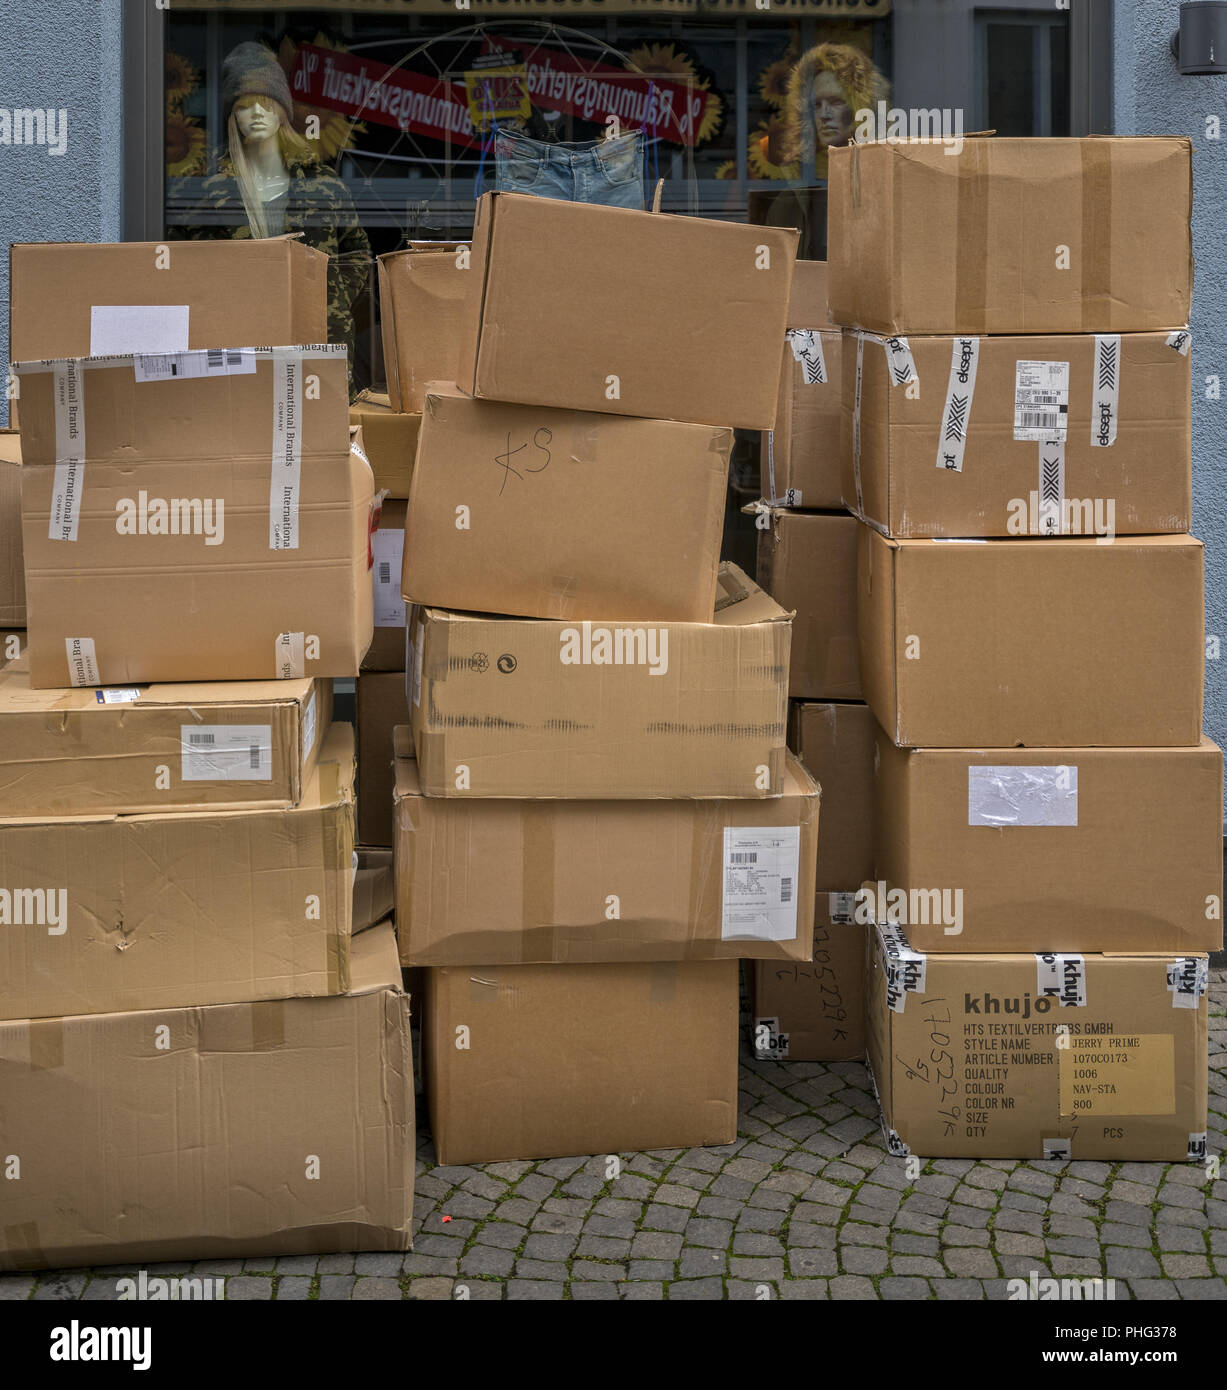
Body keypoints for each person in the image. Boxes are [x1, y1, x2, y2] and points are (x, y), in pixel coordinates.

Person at [171, 41, 370, 396]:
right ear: (232, 116)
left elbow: (357, 253)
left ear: (282, 111)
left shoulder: (322, 183)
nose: (258, 114)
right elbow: (186, 267)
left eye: (267, 103)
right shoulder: (209, 191)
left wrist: (329, 300)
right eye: (245, 106)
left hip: (317, 341)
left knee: (315, 431)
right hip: (238, 342)